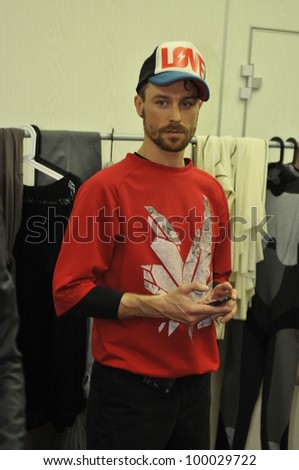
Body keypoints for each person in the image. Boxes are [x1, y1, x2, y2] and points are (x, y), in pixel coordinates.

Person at [52, 40, 238, 450]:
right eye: (161, 101)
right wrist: (158, 305)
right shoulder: (105, 188)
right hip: (127, 397)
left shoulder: (212, 191)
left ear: (198, 109)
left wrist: (224, 298)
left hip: (196, 391)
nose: (175, 116)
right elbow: (68, 293)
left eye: (187, 103)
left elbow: (218, 275)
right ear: (138, 104)